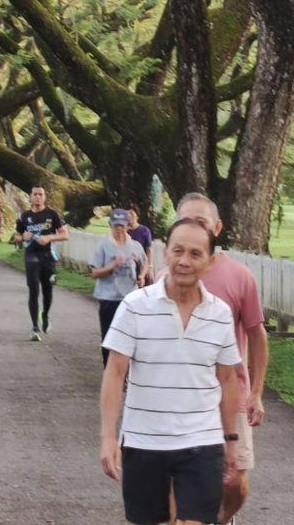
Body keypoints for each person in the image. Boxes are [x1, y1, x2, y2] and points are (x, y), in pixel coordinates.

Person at [100, 218, 240, 525]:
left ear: (210, 261)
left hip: (202, 441)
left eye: (195, 253)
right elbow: (115, 373)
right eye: (178, 251)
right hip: (144, 440)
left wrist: (231, 441)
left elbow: (229, 379)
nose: (184, 261)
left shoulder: (220, 314)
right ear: (165, 253)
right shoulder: (135, 306)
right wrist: (108, 437)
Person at [174, 192, 269, 525]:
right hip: (181, 397)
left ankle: (222, 517)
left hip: (231, 393)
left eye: (201, 221)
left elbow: (257, 336)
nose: (193, 227)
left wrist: (256, 392)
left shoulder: (239, 276)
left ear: (217, 227)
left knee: (234, 480)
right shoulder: (166, 276)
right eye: (185, 221)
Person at [89, 208, 146, 366]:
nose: (119, 229)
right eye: (116, 226)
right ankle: (109, 372)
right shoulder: (103, 246)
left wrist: (141, 276)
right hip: (108, 299)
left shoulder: (135, 246)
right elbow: (94, 273)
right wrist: (112, 265)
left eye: (122, 225)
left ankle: (128, 373)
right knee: (109, 338)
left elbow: (144, 262)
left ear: (128, 225)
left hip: (130, 299)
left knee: (131, 338)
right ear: (110, 225)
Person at [14, 186, 69, 342]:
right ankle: (34, 327)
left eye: (40, 194)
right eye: (35, 194)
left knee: (47, 291)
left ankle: (45, 314)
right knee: (33, 290)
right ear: (30, 197)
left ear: (44, 197)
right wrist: (22, 237)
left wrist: (49, 238)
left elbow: (65, 234)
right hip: (31, 256)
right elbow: (16, 236)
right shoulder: (24, 216)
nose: (38, 197)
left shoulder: (52, 214)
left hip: (48, 257)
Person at [126, 203, 154, 286]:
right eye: (127, 214)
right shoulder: (123, 231)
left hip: (142, 264)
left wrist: (150, 267)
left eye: (131, 213)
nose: (129, 216)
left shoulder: (144, 230)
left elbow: (149, 250)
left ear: (137, 216)